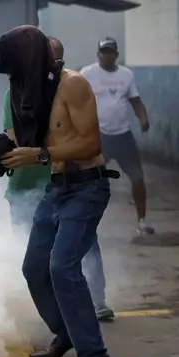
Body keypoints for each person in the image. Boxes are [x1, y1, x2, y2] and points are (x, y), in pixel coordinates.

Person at [0, 26, 114, 357]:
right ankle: (64, 332)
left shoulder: (73, 84)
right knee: (34, 267)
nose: (10, 71)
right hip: (56, 188)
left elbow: (91, 143)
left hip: (87, 187)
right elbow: (26, 140)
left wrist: (42, 154)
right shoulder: (33, 90)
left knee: (63, 267)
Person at [80, 38, 153, 235]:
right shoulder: (87, 74)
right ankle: (85, 221)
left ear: (116, 55)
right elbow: (75, 98)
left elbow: (135, 101)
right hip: (99, 136)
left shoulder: (126, 75)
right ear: (98, 55)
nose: (107, 55)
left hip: (123, 136)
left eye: (110, 52)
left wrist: (143, 119)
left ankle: (142, 222)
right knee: (88, 179)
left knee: (138, 178)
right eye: (103, 52)